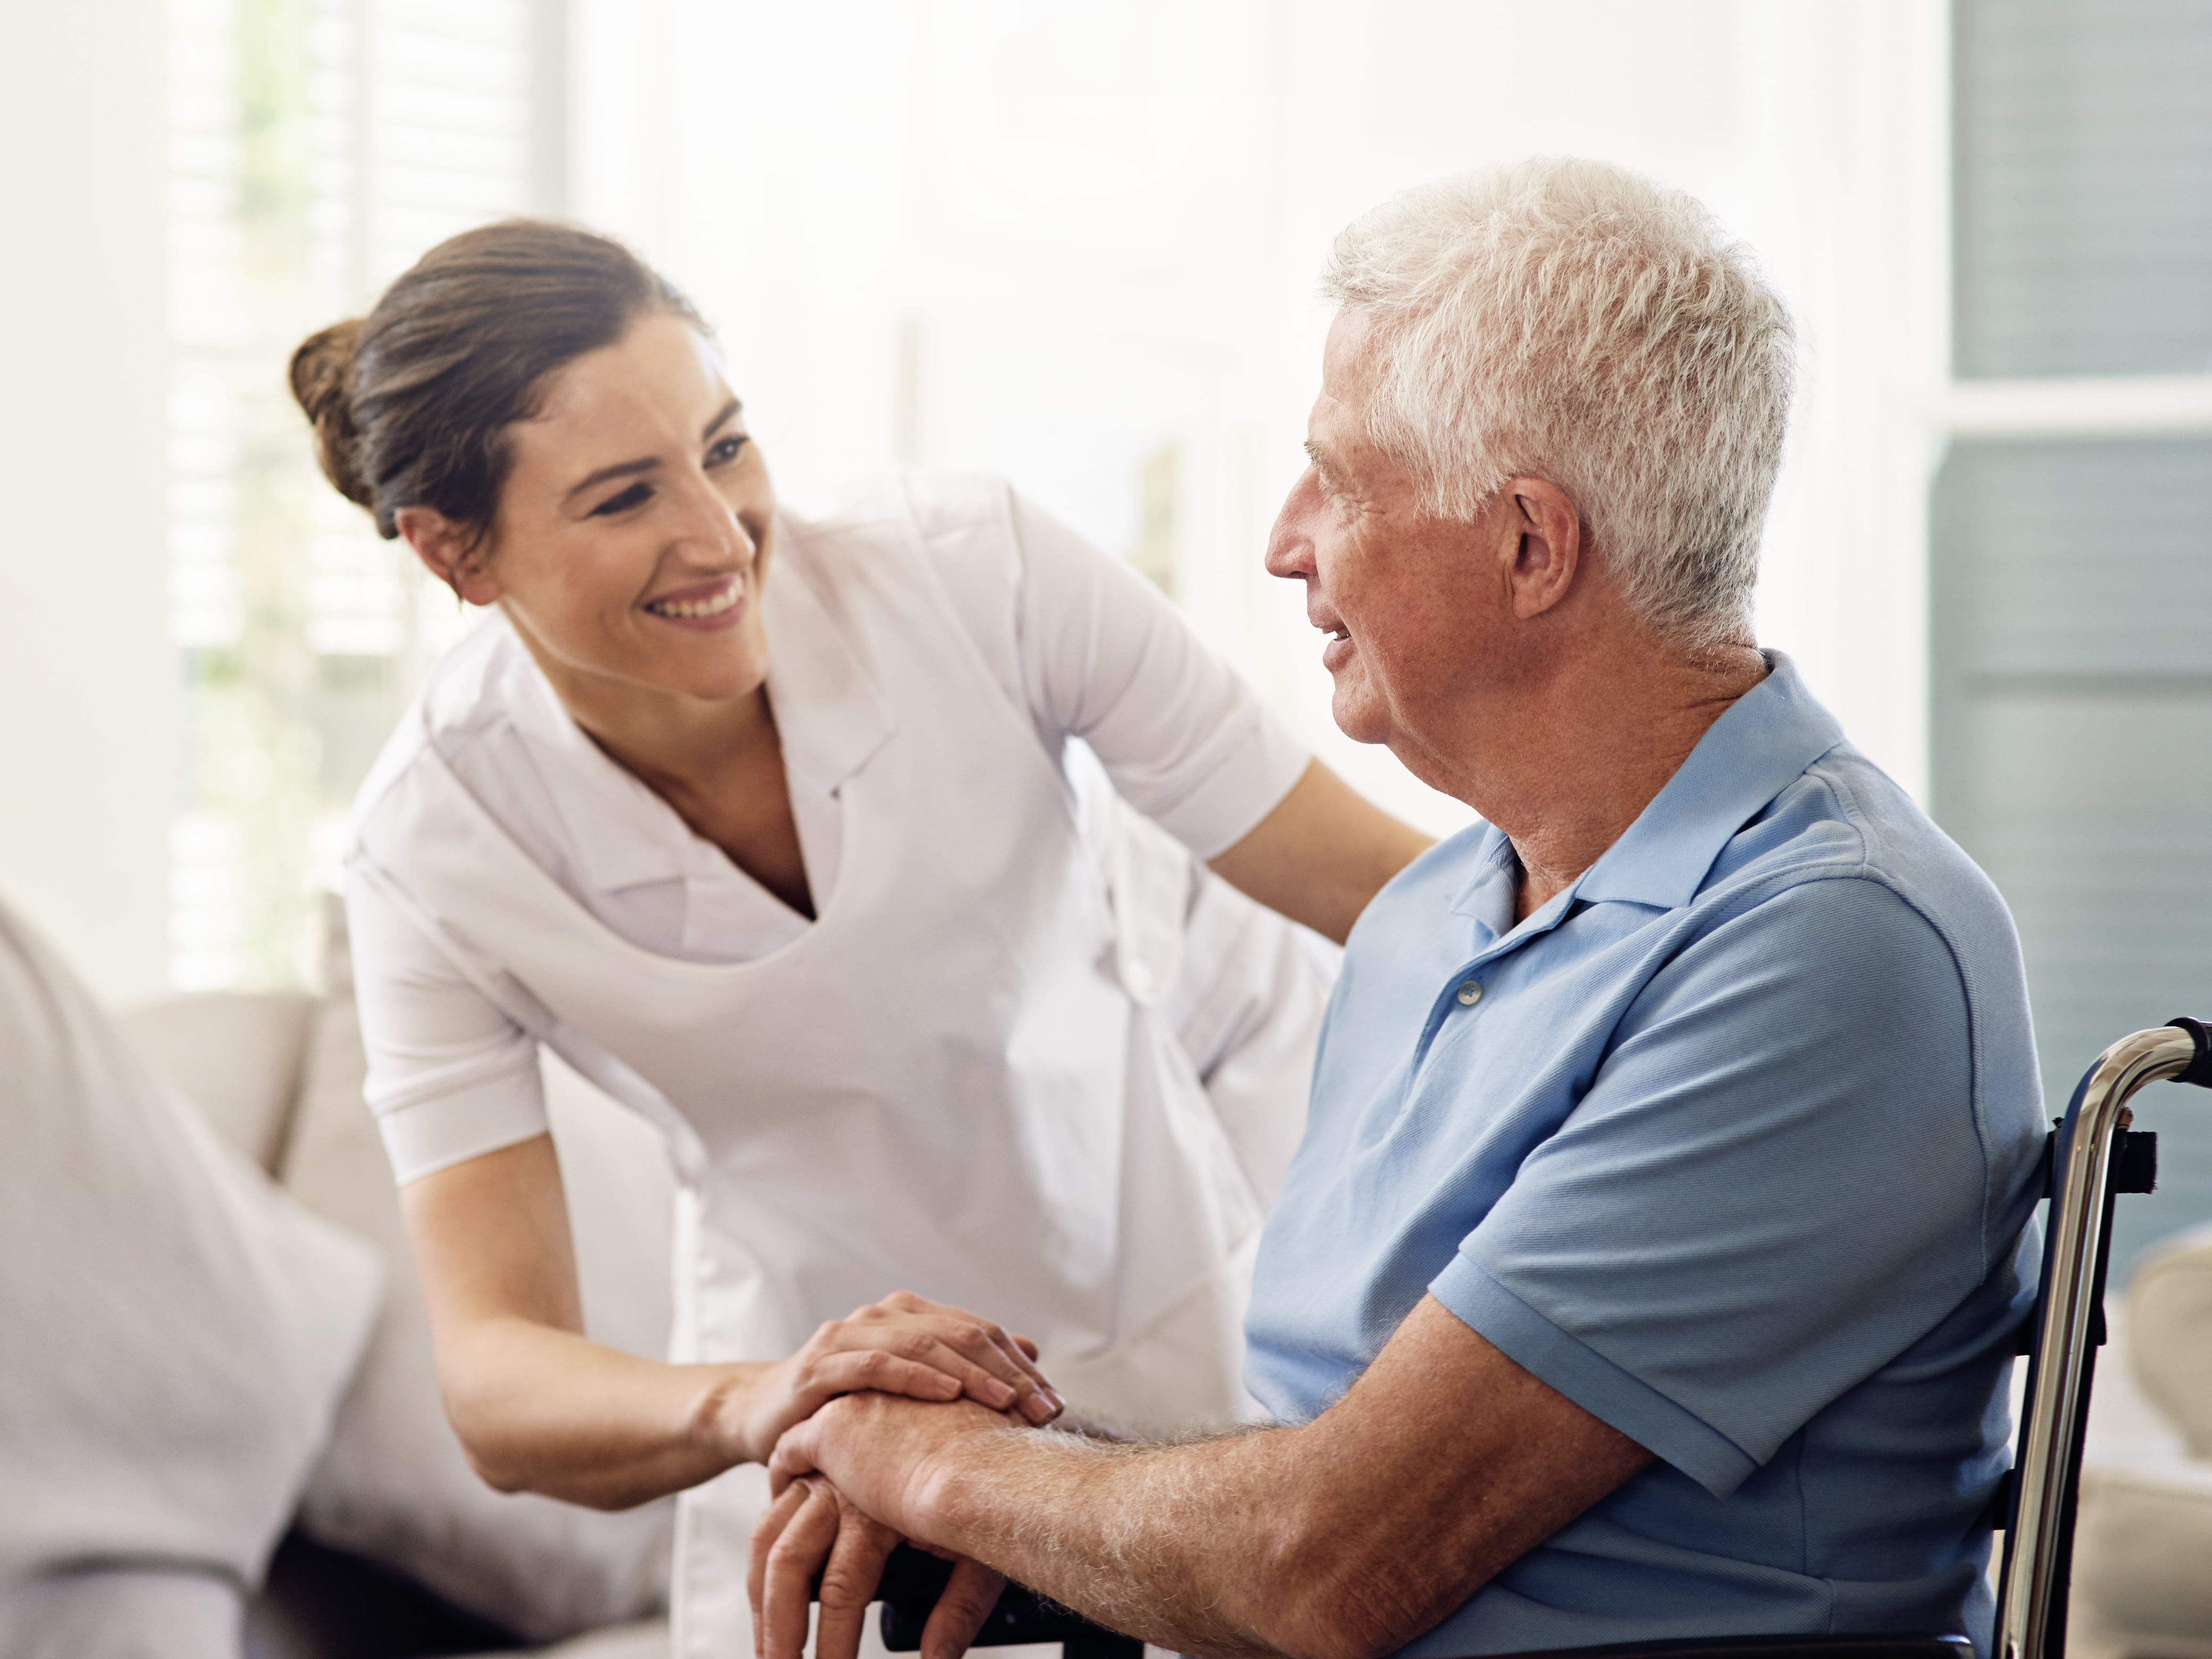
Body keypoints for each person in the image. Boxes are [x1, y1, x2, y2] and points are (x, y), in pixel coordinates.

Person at [751, 158, 2047, 1659]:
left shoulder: (1836, 948)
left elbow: (1330, 1565)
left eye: (1341, 479)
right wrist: (969, 1480)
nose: (1286, 540)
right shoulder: (1429, 916)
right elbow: (1327, 1470)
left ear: (1528, 546)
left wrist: (938, 1462)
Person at [289, 221, 1431, 1658]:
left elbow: (1396, 896)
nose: (717, 536)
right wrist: (770, 1396)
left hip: (1162, 1321)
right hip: (832, 1444)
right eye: (624, 496)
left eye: (724, 447)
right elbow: (496, 1384)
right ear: (457, 553)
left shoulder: (973, 574)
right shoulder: (433, 850)